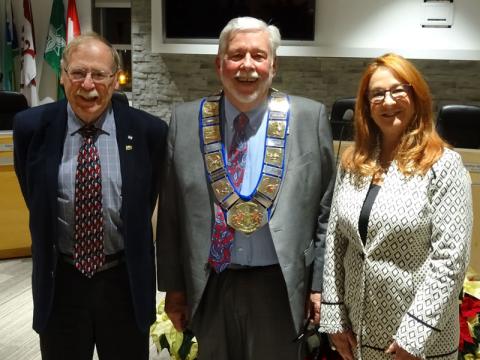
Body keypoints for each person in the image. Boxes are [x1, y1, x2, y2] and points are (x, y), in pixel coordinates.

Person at [156, 16, 335, 360]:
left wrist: (319, 286)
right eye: (237, 55)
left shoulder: (309, 119)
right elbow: (172, 216)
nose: (247, 66)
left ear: (274, 65)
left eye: (258, 55)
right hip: (211, 285)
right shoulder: (184, 120)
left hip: (280, 288)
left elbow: (327, 212)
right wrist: (174, 288)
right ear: (219, 63)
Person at [13, 32, 167, 360]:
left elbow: (146, 200)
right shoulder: (30, 128)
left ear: (115, 80)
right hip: (60, 283)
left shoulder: (149, 132)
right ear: (64, 75)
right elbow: (34, 195)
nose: (88, 84)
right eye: (78, 73)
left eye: (99, 74)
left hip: (123, 283)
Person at [319, 53, 473, 360]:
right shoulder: (354, 163)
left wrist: (413, 335)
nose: (388, 102)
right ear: (366, 106)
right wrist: (334, 316)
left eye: (398, 90)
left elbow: (450, 259)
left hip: (418, 344)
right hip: (357, 337)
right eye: (377, 94)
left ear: (416, 97)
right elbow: (336, 242)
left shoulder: (444, 165)